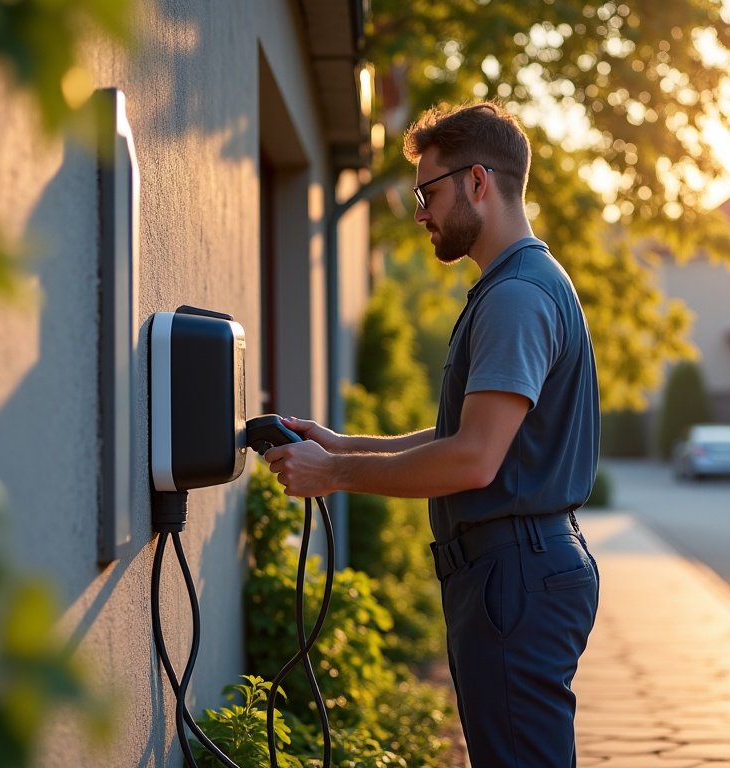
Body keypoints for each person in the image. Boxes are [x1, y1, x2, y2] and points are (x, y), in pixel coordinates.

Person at [264, 101, 600, 768]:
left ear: (478, 182)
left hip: (514, 574)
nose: (419, 213)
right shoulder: (521, 285)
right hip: (518, 568)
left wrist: (333, 475)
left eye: (428, 193)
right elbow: (467, 435)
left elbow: (473, 460)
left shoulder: (516, 297)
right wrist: (342, 446)